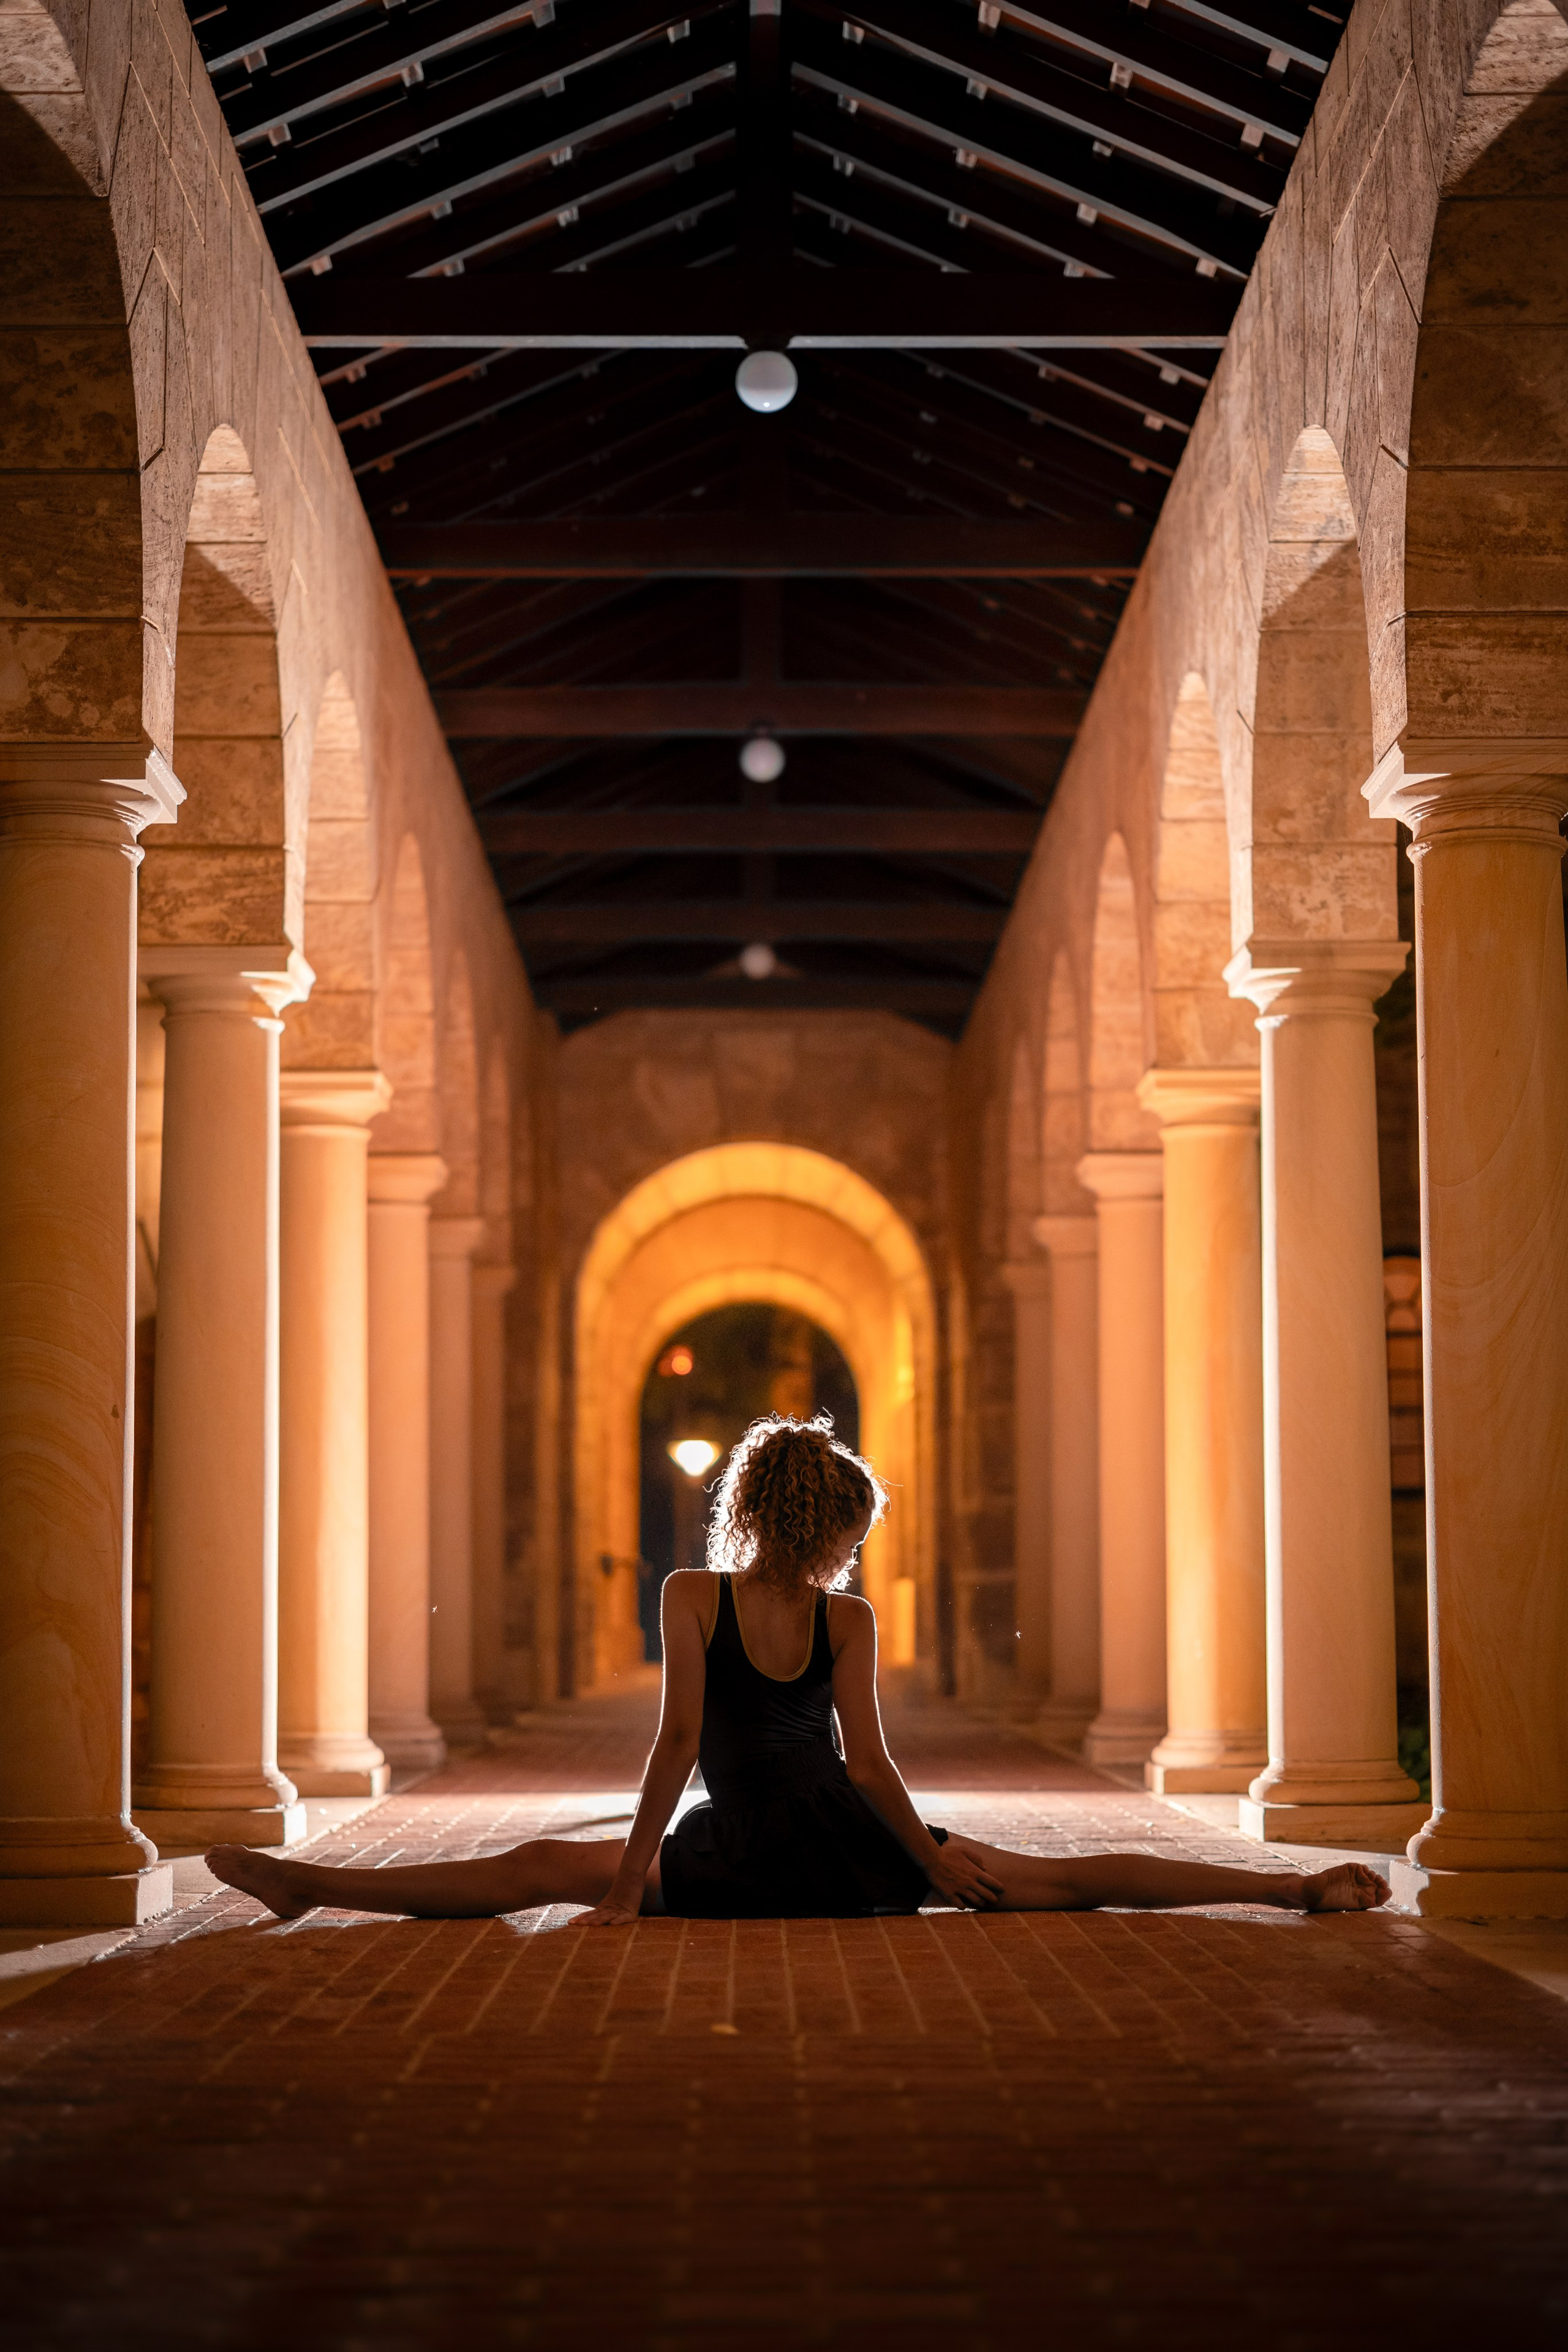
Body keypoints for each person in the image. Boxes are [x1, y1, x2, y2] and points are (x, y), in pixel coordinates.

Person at [208, 1415, 1390, 1925]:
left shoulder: (689, 1595)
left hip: (744, 1851)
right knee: (1055, 1880)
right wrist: (929, 1857)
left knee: (530, 1872)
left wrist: (627, 1882)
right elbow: (868, 1768)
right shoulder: (847, 1618)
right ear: (832, 1525)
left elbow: (677, 1747)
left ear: (748, 1508)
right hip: (851, 1851)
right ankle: (1294, 1892)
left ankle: (318, 1888)